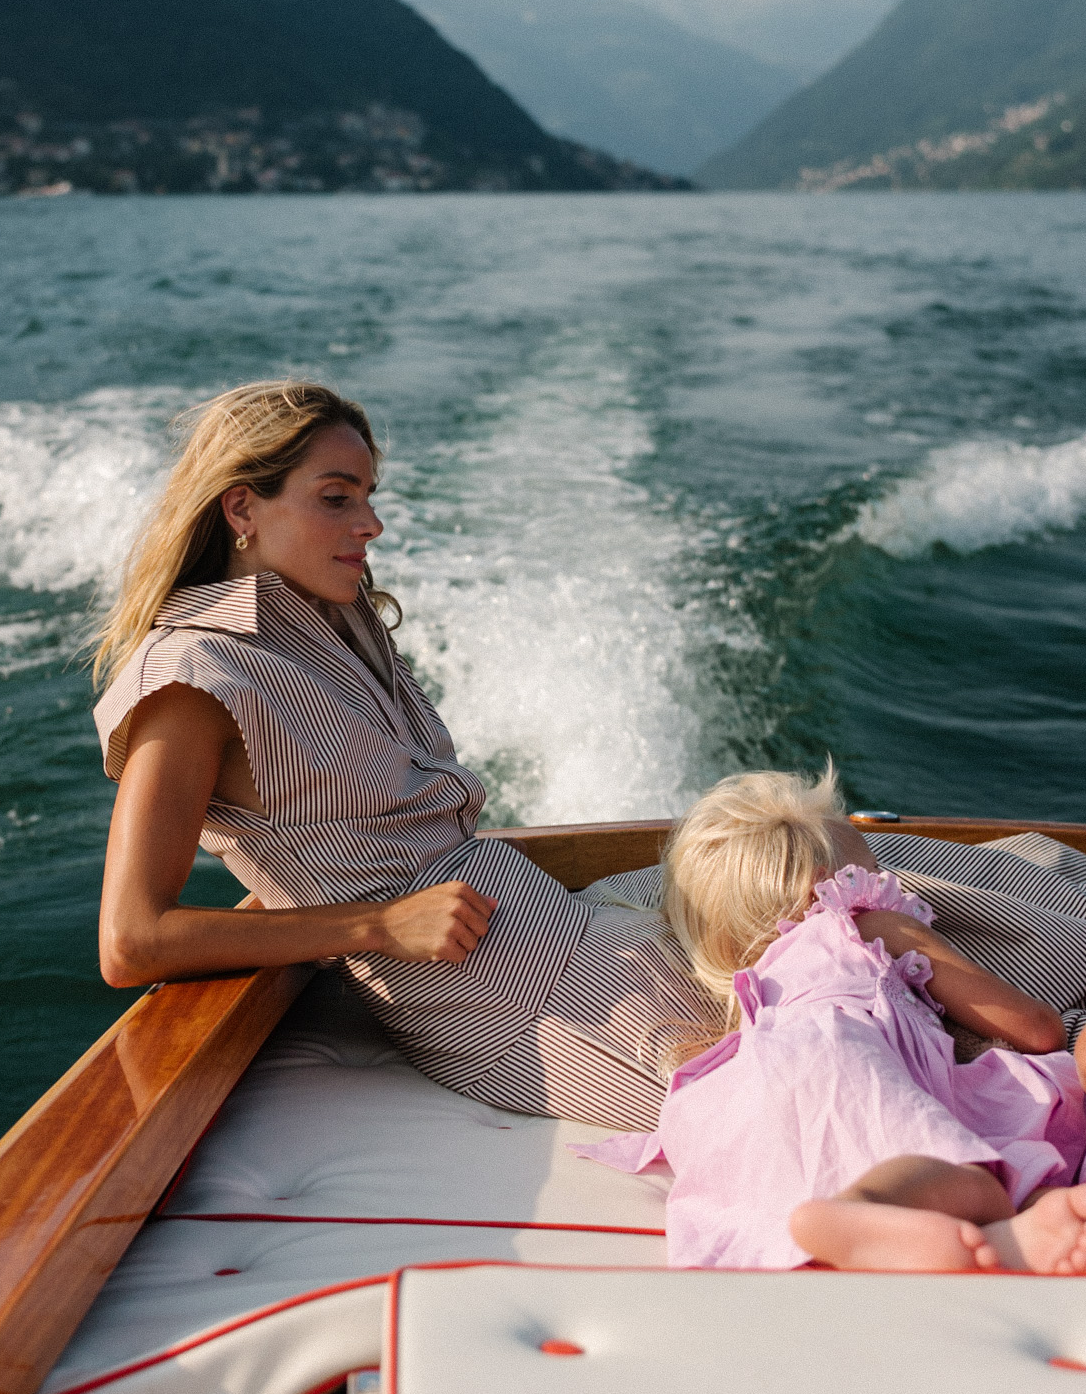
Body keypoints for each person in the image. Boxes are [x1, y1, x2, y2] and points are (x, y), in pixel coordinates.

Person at [92, 378, 701, 1129]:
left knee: (858, 885)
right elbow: (132, 939)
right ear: (243, 506)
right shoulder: (195, 680)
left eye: (369, 496)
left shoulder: (335, 619)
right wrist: (378, 924)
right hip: (512, 1002)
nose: (371, 524)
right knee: (833, 1052)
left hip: (562, 924)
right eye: (337, 498)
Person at [576, 768, 1086, 1273]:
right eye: (872, 867)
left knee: (1012, 1179)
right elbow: (1037, 1030)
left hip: (728, 1098)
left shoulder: (762, 992)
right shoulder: (863, 920)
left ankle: (1010, 1235)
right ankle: (862, 1207)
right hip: (842, 1047)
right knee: (969, 1175)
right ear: (834, 886)